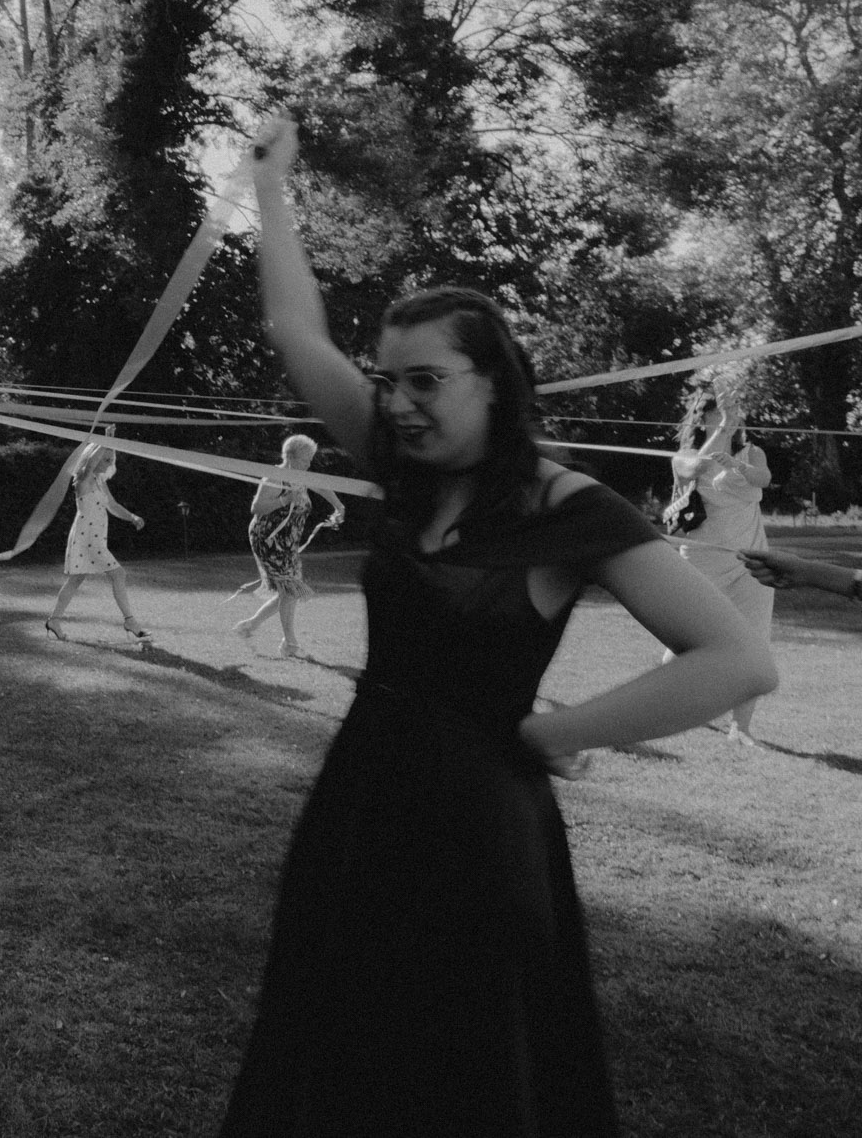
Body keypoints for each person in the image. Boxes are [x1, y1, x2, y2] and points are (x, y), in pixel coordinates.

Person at [219, 117, 776, 1137]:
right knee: (338, 1047)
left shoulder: (564, 506)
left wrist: (559, 731)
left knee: (458, 1070)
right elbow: (296, 330)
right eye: (387, 380)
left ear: (492, 380)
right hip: (361, 799)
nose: (397, 403)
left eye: (424, 380)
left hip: (477, 829)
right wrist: (268, 186)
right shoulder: (401, 465)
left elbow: (738, 658)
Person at [663, 391, 774, 744]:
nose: (733, 415)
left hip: (751, 560)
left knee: (754, 643)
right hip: (702, 561)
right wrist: (723, 430)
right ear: (702, 418)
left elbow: (763, 479)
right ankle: (666, 708)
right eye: (724, 411)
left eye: (736, 409)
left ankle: (741, 728)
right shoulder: (685, 455)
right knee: (685, 641)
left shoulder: (752, 451)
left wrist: (736, 463)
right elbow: (694, 470)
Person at [232, 433, 346, 658]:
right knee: (290, 590)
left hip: (288, 542)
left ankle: (249, 626)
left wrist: (339, 506)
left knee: (289, 592)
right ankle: (290, 644)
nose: (309, 464)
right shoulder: (275, 478)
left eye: (310, 460)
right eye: (306, 460)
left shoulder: (299, 475)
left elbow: (321, 486)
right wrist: (285, 499)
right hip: (268, 539)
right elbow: (257, 507)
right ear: (291, 457)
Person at [45, 430, 150, 641]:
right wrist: (105, 439)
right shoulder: (83, 479)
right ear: (95, 456)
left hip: (94, 537)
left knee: (76, 579)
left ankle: (54, 620)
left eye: (111, 459)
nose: (109, 462)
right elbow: (90, 465)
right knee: (118, 574)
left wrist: (132, 517)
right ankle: (130, 620)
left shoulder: (100, 481)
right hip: (88, 538)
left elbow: (113, 505)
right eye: (106, 458)